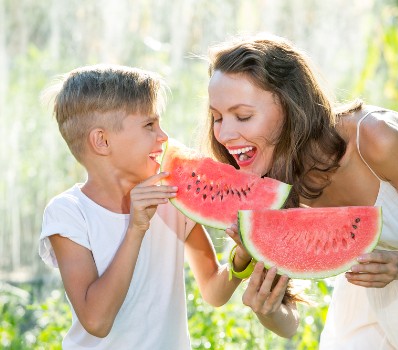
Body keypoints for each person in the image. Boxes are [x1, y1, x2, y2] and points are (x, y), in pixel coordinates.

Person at [205, 34, 398, 349]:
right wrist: (268, 309)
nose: (224, 134)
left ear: (291, 105)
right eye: (217, 118)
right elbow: (288, 324)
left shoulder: (376, 138)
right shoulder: (271, 181)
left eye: (243, 116)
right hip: (377, 298)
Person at [38, 64, 295, 349]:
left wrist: (241, 258)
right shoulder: (69, 213)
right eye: (149, 125)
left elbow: (212, 291)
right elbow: (96, 321)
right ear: (102, 141)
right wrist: (136, 228)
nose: (164, 137)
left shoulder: (173, 199)